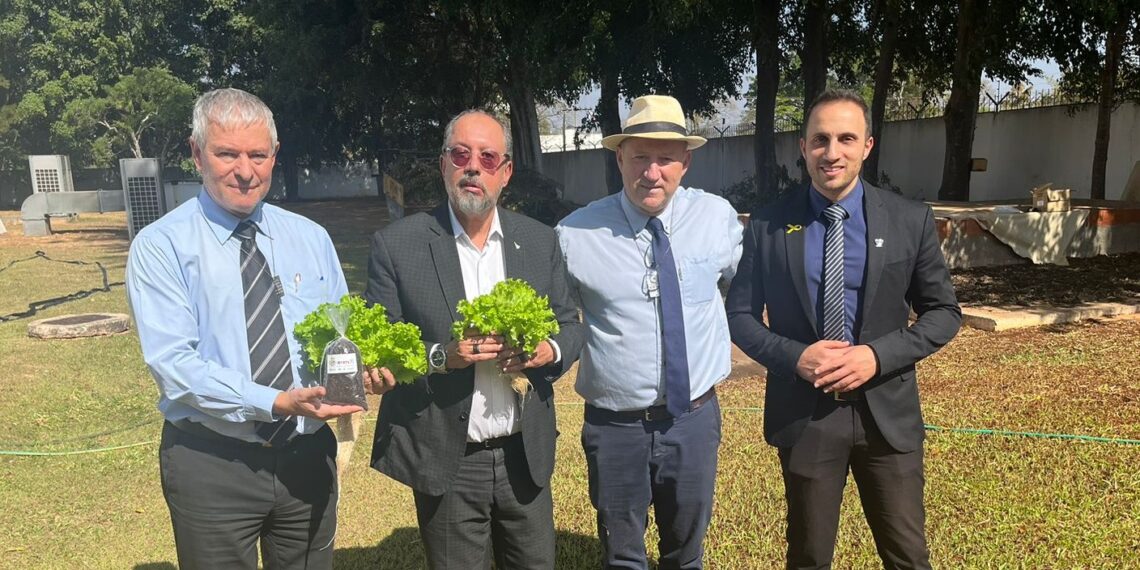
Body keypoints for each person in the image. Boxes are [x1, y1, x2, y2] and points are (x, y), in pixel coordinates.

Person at [127, 88, 385, 569]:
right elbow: (175, 367)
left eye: (258, 155)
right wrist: (272, 401)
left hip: (307, 455)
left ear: (275, 155)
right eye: (227, 154)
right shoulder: (161, 246)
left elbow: (338, 336)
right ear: (196, 153)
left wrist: (363, 370)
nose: (245, 171)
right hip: (213, 462)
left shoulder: (310, 238)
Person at [725, 89, 961, 570]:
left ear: (867, 146)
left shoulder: (909, 218)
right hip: (807, 416)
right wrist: (795, 357)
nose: (832, 152)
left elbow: (942, 313)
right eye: (820, 140)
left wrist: (876, 356)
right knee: (809, 556)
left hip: (886, 417)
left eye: (846, 139)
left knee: (908, 556)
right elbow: (740, 317)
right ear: (803, 147)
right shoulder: (768, 224)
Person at [364, 109, 584, 568]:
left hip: (524, 455)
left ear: (505, 173)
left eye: (487, 158)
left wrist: (548, 350)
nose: (473, 167)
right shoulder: (398, 245)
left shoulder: (539, 241)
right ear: (444, 164)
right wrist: (443, 357)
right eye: (461, 154)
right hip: (450, 459)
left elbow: (571, 325)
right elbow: (380, 348)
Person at [555, 94, 744, 569]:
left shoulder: (718, 219)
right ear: (620, 158)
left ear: (686, 161)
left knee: (686, 552)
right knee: (622, 555)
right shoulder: (574, 236)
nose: (652, 171)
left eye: (665, 158)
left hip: (694, 419)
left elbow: (744, 289)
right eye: (640, 156)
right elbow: (554, 320)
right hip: (615, 426)